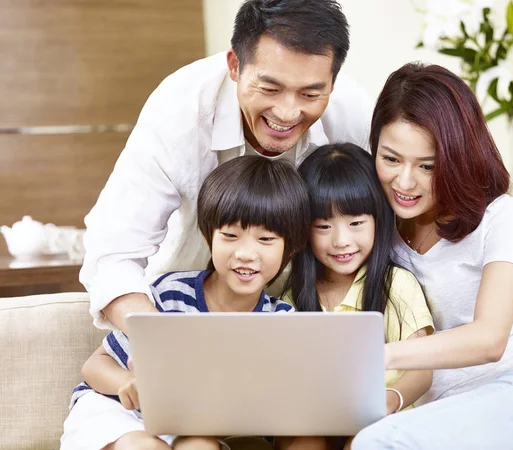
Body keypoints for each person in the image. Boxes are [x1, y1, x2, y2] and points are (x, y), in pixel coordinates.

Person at [80, 0, 373, 334]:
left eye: (309, 95)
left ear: (333, 83)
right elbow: (113, 252)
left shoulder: (354, 115)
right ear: (235, 66)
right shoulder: (179, 112)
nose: (288, 113)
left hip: (297, 309)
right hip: (183, 306)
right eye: (270, 88)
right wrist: (161, 340)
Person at [351, 63, 513, 449]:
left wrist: (376, 355)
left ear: (457, 159)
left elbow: (489, 339)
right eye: (391, 159)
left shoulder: (500, 217)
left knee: (378, 442)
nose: (405, 181)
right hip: (449, 416)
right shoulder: (371, 233)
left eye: (427, 166)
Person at [61, 156, 311, 450]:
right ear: (208, 238)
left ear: (291, 247)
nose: (245, 253)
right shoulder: (171, 295)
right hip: (117, 413)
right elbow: (94, 366)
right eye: (230, 236)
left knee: (200, 445)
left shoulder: (282, 322)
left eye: (265, 239)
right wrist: (126, 383)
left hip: (188, 426)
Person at [280, 144, 434, 450]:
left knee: (364, 439)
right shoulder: (291, 297)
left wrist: (389, 401)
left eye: (356, 224)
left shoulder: (396, 285)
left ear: (378, 219)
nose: (341, 241)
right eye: (323, 226)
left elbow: (423, 370)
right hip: (321, 417)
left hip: (387, 417)